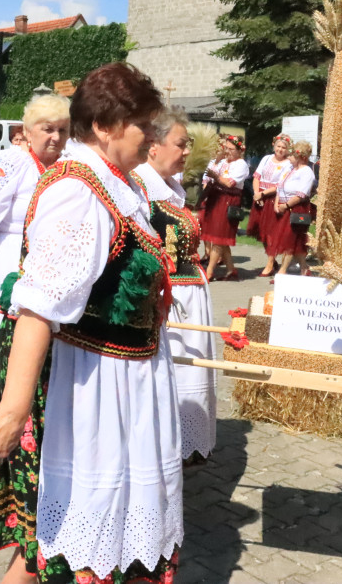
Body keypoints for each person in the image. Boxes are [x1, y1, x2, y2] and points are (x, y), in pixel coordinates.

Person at [0, 63, 181, 584]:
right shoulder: (78, 192)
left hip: (123, 378)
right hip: (90, 385)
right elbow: (40, 307)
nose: (152, 138)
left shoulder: (119, 183)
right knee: (72, 530)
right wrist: (11, 412)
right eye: (144, 126)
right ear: (106, 126)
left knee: (68, 534)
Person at [0, 94, 70, 405]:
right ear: (27, 130)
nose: (56, 137)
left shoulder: (64, 167)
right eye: (48, 129)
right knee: (7, 350)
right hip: (9, 268)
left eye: (63, 130)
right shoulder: (11, 162)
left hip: (48, 275)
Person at [133, 106, 218, 465]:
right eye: (180, 144)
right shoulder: (138, 186)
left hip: (191, 289)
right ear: (153, 145)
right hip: (169, 294)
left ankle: (190, 441)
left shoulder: (173, 187)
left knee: (192, 368)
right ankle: (167, 443)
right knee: (173, 370)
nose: (186, 152)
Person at [200, 136, 249, 281]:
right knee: (219, 237)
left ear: (240, 151)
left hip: (228, 200)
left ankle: (209, 271)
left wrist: (216, 176)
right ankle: (231, 269)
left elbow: (229, 184)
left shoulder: (241, 165)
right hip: (216, 198)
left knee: (219, 238)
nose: (227, 151)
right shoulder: (222, 162)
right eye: (226, 148)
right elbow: (209, 176)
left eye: (231, 149)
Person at [249, 135, 293, 276]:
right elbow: (257, 176)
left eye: (283, 147)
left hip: (273, 198)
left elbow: (280, 184)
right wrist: (256, 193)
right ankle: (272, 261)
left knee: (271, 232)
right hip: (260, 197)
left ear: (287, 150)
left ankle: (269, 263)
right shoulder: (266, 158)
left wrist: (263, 194)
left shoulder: (288, 164)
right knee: (261, 230)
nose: (280, 149)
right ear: (274, 146)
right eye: (278, 146)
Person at [270, 141, 316, 278]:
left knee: (289, 239)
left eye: (292, 155)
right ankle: (304, 268)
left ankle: (282, 271)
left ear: (300, 157)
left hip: (296, 208)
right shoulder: (290, 169)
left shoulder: (307, 172)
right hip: (284, 207)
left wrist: (287, 205)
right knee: (295, 240)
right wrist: (277, 203)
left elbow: (301, 194)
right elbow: (279, 187)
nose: (289, 158)